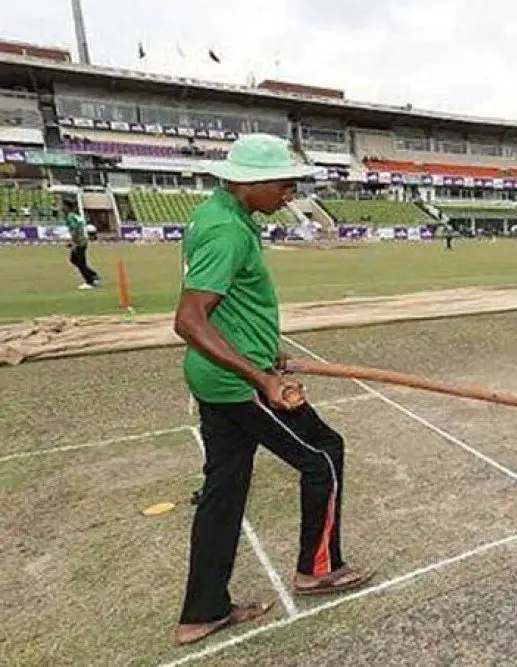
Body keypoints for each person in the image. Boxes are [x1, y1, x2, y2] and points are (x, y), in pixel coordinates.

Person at [172, 134, 375, 647]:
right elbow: (190, 320)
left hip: (220, 378)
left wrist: (268, 349)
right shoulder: (226, 232)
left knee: (224, 489)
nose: (290, 192)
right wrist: (262, 376)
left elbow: (230, 308)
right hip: (240, 385)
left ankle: (203, 610)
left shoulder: (221, 215)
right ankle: (317, 569)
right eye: (284, 183)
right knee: (324, 454)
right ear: (249, 183)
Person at [64, 201, 100, 290]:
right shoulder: (76, 216)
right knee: (75, 260)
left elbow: (74, 229)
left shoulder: (70, 217)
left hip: (79, 242)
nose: (62, 208)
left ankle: (90, 281)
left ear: (68, 207)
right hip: (83, 241)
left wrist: (73, 242)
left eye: (64, 206)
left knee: (79, 262)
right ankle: (92, 275)